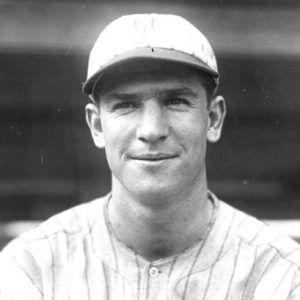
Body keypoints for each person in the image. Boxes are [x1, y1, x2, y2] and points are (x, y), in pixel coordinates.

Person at [0, 13, 299, 300]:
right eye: (126, 105)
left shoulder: (282, 275)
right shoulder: (31, 268)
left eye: (176, 101)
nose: (152, 130)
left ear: (213, 118)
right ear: (97, 125)